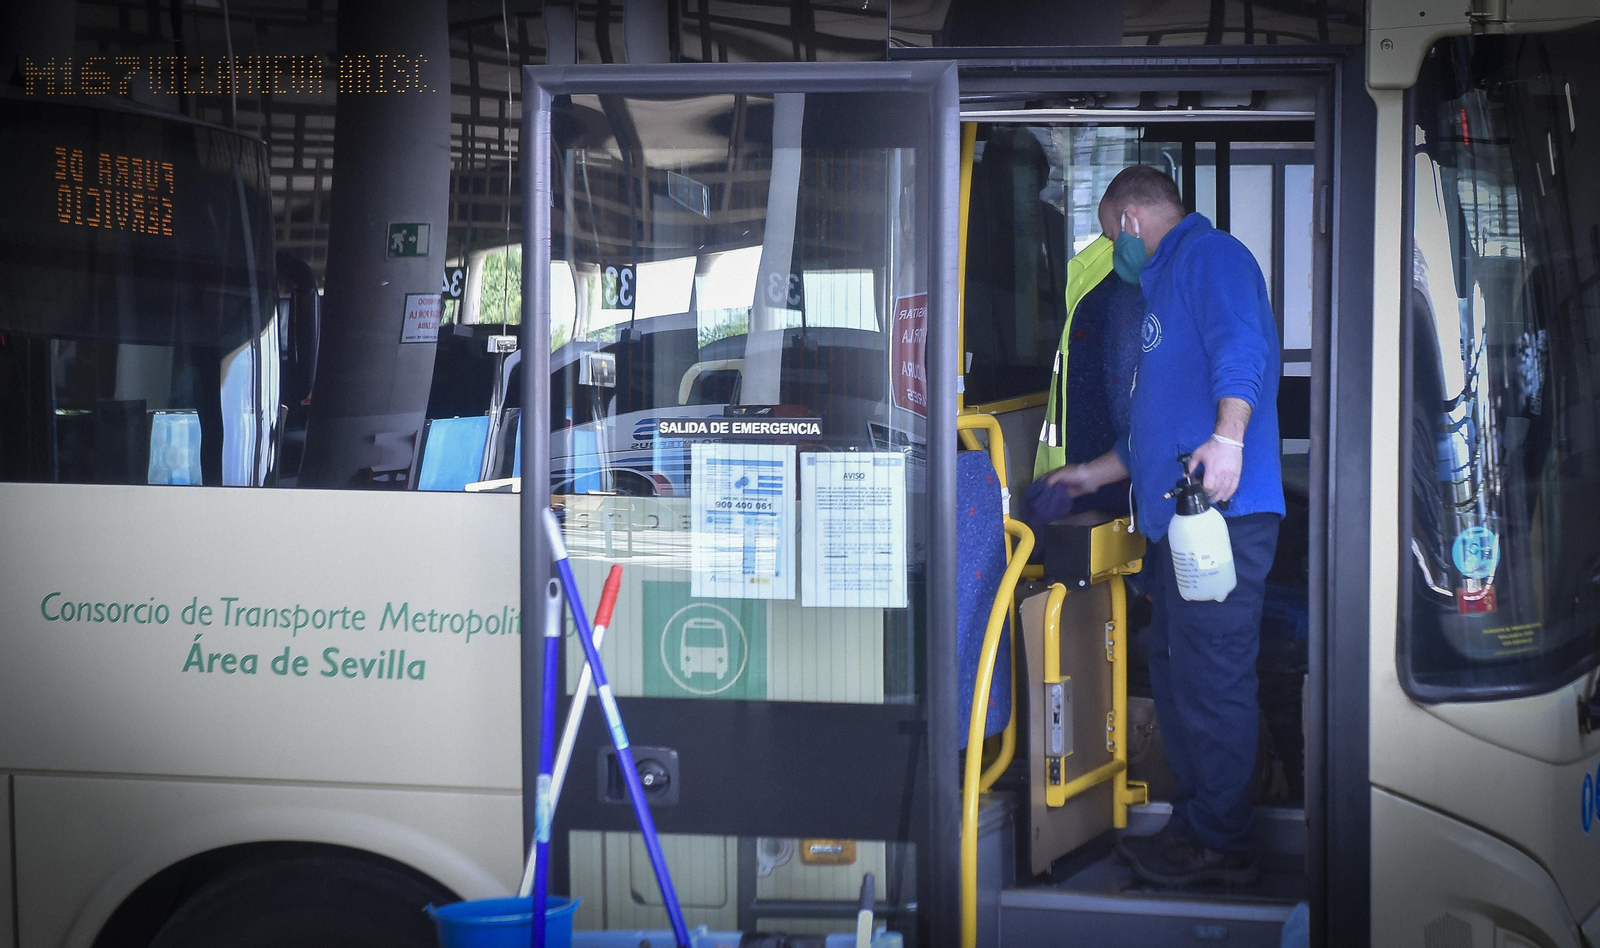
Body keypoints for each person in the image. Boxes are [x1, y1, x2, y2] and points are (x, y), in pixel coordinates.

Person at [1045, 165, 1284, 887]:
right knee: (1179, 676)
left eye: (1108, 233)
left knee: (1211, 681)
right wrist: (1087, 475)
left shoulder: (1209, 260)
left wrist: (1231, 440)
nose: (1113, 248)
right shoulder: (1159, 290)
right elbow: (1154, 431)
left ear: (1127, 222)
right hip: (1178, 529)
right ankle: (1197, 829)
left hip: (1222, 521)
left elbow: (1242, 351)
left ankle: (1222, 841)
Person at [1024, 233, 1143, 529]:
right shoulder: (1108, 271)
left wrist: (1092, 476)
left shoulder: (1119, 280)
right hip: (1095, 475)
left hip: (1107, 479)